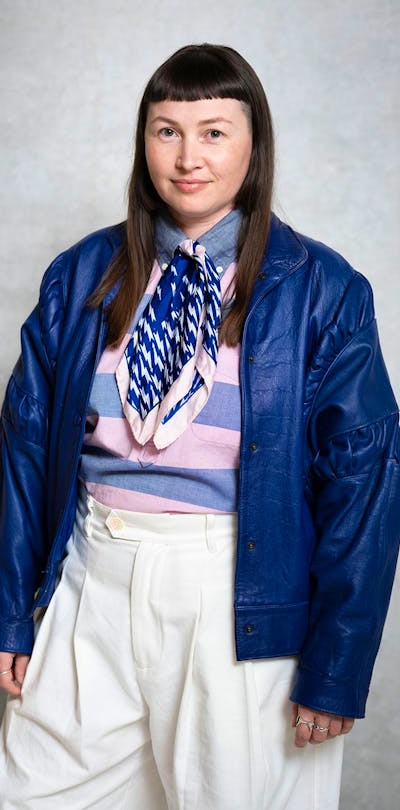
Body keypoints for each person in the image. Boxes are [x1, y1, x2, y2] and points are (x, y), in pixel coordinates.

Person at [0, 43, 399, 810]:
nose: (188, 156)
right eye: (166, 130)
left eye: (214, 131)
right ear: (142, 141)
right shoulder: (81, 273)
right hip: (92, 583)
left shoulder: (323, 289)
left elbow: (366, 482)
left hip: (240, 596)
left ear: (255, 144)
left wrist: (336, 664)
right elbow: (21, 450)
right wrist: (12, 613)